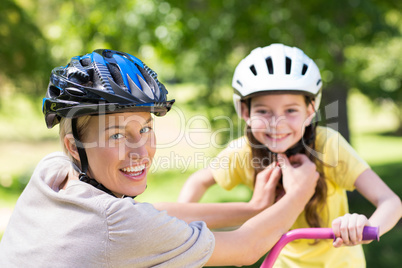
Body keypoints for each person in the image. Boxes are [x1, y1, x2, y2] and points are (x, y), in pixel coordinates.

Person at [0, 49, 320, 267]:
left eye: (145, 129)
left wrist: (253, 208)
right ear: (74, 146)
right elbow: (247, 247)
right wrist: (301, 191)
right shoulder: (120, 225)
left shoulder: (51, 174)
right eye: (116, 135)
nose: (140, 150)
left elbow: (153, 215)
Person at [178, 44, 402, 267]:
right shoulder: (245, 151)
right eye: (263, 111)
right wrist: (177, 234)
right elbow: (198, 181)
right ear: (245, 112)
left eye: (291, 110)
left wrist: (364, 226)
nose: (277, 123)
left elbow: (391, 201)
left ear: (310, 110)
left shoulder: (327, 146)